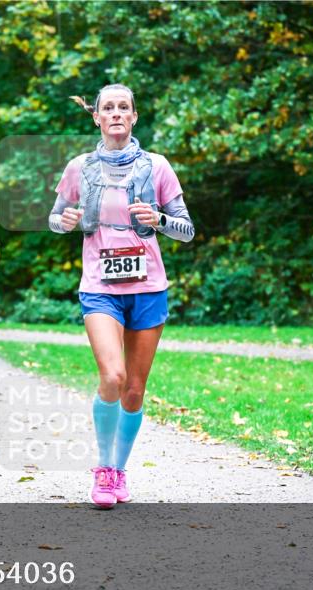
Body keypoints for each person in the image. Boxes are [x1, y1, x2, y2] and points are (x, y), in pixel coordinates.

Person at [49, 84, 195, 508]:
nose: (116, 113)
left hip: (148, 288)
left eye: (123, 107)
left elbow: (186, 231)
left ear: (134, 116)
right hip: (99, 287)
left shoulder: (158, 166)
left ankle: (119, 471)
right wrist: (67, 220)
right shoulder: (80, 167)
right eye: (107, 108)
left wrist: (161, 218)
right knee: (112, 376)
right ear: (96, 117)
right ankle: (103, 468)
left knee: (133, 389)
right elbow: (55, 219)